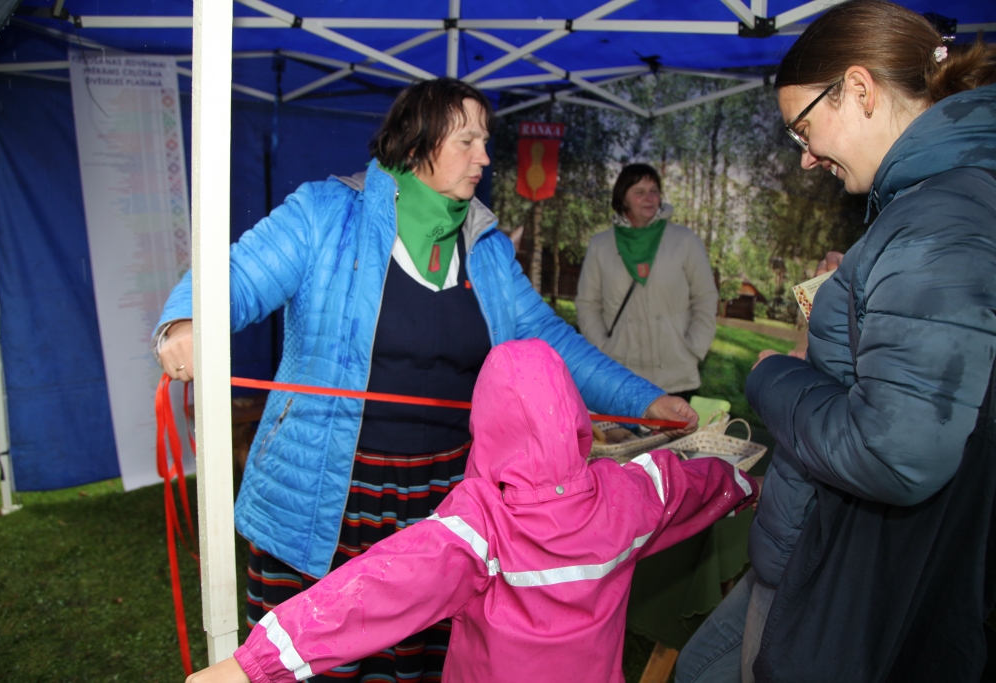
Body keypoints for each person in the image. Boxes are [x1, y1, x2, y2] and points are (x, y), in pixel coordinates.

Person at [154, 78, 698, 681]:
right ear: (416, 145)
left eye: (485, 141)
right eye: (467, 141)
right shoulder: (326, 213)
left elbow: (550, 340)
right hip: (332, 495)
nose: (483, 157)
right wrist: (187, 321)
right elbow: (236, 276)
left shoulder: (485, 247)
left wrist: (646, 400)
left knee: (421, 665)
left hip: (447, 494)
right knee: (320, 651)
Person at [675, 2, 996, 681]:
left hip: (843, 570)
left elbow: (894, 450)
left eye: (805, 128)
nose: (806, 158)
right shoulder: (934, 204)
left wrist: (773, 376)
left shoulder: (938, 219)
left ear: (858, 89)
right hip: (822, 547)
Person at [182, 339, 756, 683]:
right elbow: (695, 483)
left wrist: (253, 664)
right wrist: (743, 484)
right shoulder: (627, 495)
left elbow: (373, 590)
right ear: (575, 416)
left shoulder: (482, 527)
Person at [576, 164, 719, 401]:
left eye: (654, 191)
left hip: (674, 374)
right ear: (623, 198)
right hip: (618, 374)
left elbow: (705, 297)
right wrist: (602, 348)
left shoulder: (684, 241)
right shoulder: (600, 245)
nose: (649, 198)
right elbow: (587, 305)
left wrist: (694, 348)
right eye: (639, 192)